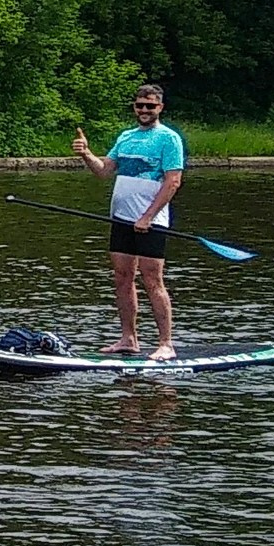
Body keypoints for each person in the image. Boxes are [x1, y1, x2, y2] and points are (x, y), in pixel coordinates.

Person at [73, 83, 185, 361]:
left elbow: (173, 181)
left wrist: (147, 216)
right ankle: (128, 339)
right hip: (121, 219)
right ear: (135, 107)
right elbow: (104, 171)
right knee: (122, 278)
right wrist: (86, 154)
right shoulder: (125, 137)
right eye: (140, 105)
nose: (144, 110)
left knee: (152, 280)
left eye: (150, 106)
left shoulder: (169, 139)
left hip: (152, 221)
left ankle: (166, 343)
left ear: (160, 107)